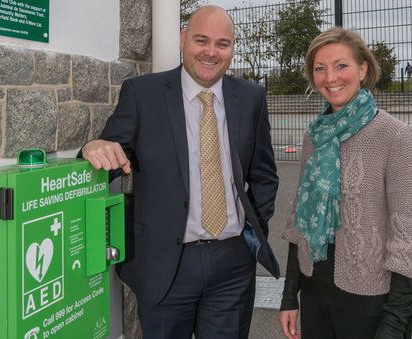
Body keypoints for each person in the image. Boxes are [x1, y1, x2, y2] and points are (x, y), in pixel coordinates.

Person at [81, 6, 280, 339]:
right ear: (182, 39)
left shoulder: (250, 97)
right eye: (201, 40)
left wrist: (253, 231)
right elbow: (110, 155)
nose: (211, 52)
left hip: (232, 265)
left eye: (222, 43)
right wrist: (92, 148)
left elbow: (264, 174)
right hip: (165, 263)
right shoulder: (143, 94)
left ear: (232, 48)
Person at [278, 26, 412, 339]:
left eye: (341, 65)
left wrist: (394, 321)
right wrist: (289, 297)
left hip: (370, 302)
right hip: (315, 293)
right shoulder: (314, 137)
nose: (330, 77)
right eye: (320, 68)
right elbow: (299, 223)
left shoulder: (396, 137)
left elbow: (411, 236)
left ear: (363, 68)